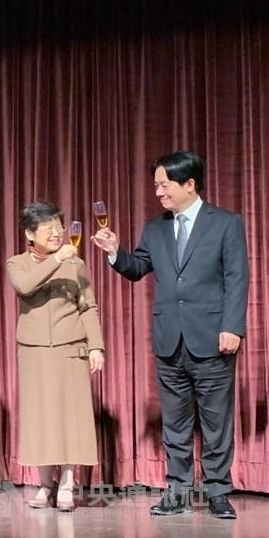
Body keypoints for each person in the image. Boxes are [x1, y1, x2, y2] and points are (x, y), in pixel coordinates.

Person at [92, 151, 248, 519]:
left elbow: (237, 278)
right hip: (169, 339)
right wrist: (116, 252)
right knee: (175, 423)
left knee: (216, 421)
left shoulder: (225, 223)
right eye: (157, 184)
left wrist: (232, 327)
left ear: (189, 184)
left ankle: (217, 492)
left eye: (164, 184)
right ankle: (176, 491)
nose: (158, 191)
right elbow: (137, 268)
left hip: (212, 338)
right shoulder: (155, 227)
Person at [6, 201, 105, 512]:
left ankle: (66, 482)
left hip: (69, 347)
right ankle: (44, 483)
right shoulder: (17, 263)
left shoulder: (76, 264)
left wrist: (96, 346)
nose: (57, 233)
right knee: (40, 417)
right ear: (30, 233)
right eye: (48, 228)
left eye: (59, 227)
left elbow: (87, 306)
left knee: (68, 418)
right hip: (34, 350)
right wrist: (57, 261)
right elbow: (25, 286)